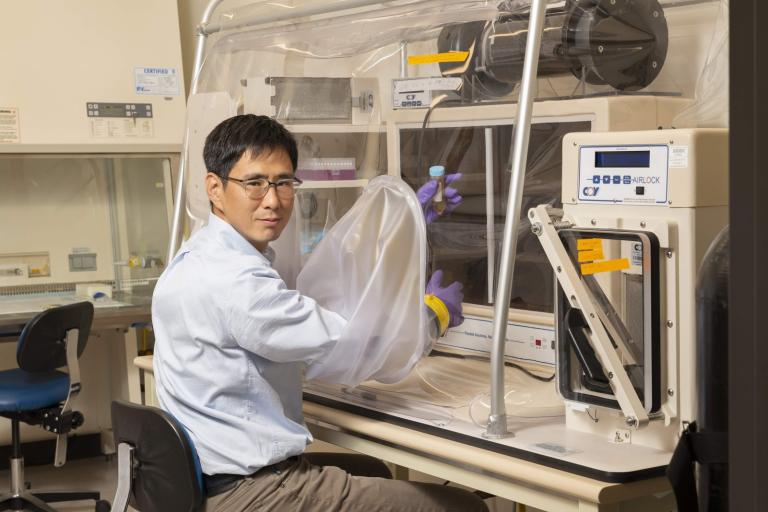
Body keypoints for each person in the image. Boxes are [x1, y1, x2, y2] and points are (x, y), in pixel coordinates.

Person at [152, 114, 487, 511]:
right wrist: (433, 315)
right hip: (252, 492)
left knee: (373, 469)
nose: (273, 200)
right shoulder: (239, 283)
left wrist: (406, 222)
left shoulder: (201, 254)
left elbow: (325, 279)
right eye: (255, 183)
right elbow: (356, 345)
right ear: (216, 188)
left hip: (206, 480)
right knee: (464, 508)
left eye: (283, 182)